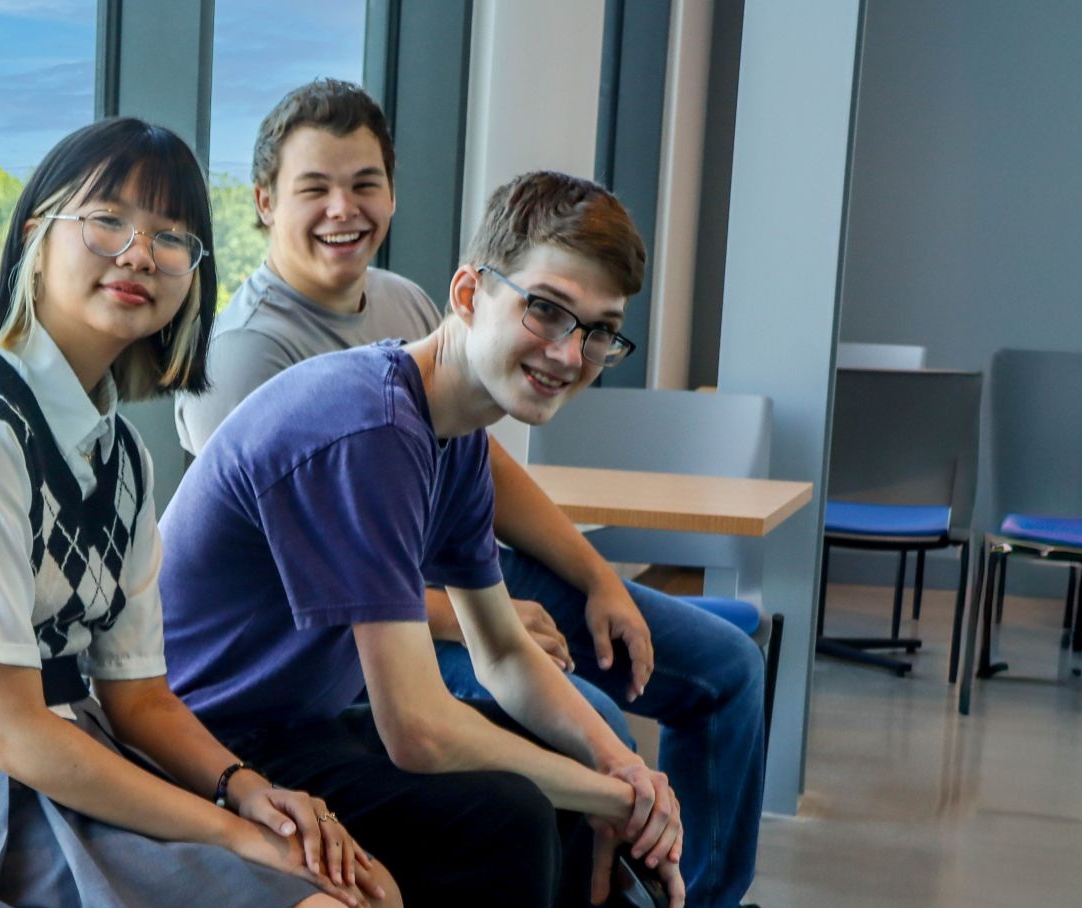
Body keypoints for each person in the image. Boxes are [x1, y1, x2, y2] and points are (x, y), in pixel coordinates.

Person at [176, 78, 764, 908]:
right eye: (548, 311)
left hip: (300, 718)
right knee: (512, 815)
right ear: (466, 294)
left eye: (599, 331)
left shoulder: (446, 431)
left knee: (551, 780)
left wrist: (619, 769)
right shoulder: (369, 427)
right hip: (214, 744)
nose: (570, 353)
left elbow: (503, 652)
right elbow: (415, 732)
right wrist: (611, 795)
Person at [0, 116, 395, 908]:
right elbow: (8, 732)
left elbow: (139, 697)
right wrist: (235, 836)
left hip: (76, 755)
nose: (140, 254)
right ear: (37, 236)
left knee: (370, 889)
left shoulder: (121, 454)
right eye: (108, 221)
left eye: (172, 238)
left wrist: (245, 792)